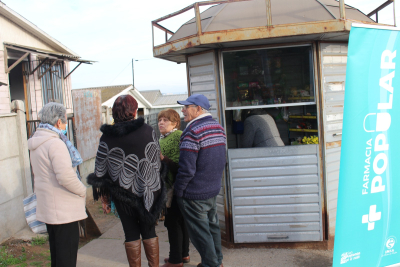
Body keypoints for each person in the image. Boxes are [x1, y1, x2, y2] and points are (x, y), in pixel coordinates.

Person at [87, 95, 166, 267]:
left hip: (121, 194)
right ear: (134, 111)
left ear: (114, 113)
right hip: (147, 191)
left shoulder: (107, 137)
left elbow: (101, 169)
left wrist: (105, 198)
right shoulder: (147, 131)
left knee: (130, 232)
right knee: (149, 230)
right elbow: (155, 162)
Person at [28, 102, 87, 267]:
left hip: (49, 208)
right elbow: (65, 176)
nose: (66, 124)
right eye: (65, 120)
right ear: (58, 122)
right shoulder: (55, 143)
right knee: (66, 257)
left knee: (57, 255)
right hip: (63, 211)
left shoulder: (37, 141)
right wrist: (82, 190)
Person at [175, 94, 227, 267]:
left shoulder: (192, 131)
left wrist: (179, 191)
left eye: (186, 107)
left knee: (200, 234)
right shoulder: (218, 127)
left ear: (198, 109)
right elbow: (221, 160)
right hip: (212, 190)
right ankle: (216, 261)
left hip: (195, 194)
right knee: (212, 229)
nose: (182, 110)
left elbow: (186, 169)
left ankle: (211, 264)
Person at [158, 109, 190, 267]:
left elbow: (180, 165)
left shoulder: (178, 136)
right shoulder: (163, 139)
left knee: (172, 222)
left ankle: (175, 260)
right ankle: (184, 255)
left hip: (177, 185)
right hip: (172, 186)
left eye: (165, 120)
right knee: (181, 221)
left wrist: (163, 160)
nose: (161, 123)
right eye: (160, 120)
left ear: (175, 123)